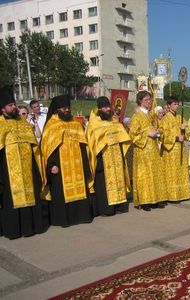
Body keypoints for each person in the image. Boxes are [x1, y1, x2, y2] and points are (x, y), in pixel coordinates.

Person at [0, 88, 49, 239]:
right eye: (10, 105)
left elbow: (34, 146)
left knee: (31, 196)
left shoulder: (23, 124)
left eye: (14, 104)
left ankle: (30, 228)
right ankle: (14, 230)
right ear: (2, 109)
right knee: (11, 200)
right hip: (8, 172)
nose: (14, 107)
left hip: (28, 169)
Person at [40, 95, 93, 227]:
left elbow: (83, 146)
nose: (67, 110)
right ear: (57, 109)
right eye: (64, 108)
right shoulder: (52, 125)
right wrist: (51, 166)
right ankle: (64, 220)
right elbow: (47, 148)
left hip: (77, 166)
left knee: (80, 190)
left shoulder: (75, 123)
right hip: (60, 168)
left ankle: (81, 217)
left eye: (68, 107)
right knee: (61, 192)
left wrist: (86, 166)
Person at [86, 97, 132, 216]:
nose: (108, 109)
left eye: (108, 106)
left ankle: (120, 206)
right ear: (99, 109)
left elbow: (121, 134)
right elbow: (91, 142)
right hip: (102, 159)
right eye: (105, 107)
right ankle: (106, 209)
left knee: (118, 180)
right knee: (103, 185)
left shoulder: (114, 121)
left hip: (116, 155)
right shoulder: (93, 124)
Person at [129, 91, 168, 211]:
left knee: (155, 173)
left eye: (150, 100)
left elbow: (160, 127)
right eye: (146, 100)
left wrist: (157, 132)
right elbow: (132, 134)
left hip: (154, 149)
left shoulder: (152, 115)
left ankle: (156, 199)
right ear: (140, 101)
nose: (149, 102)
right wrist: (147, 133)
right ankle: (145, 201)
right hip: (143, 150)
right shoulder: (136, 116)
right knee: (145, 175)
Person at [160, 96, 190, 202]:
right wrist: (177, 138)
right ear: (168, 106)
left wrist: (184, 129)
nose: (176, 106)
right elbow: (163, 134)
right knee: (172, 172)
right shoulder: (165, 119)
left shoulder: (180, 117)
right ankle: (173, 195)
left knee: (181, 170)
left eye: (177, 104)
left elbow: (188, 131)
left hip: (181, 149)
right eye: (174, 104)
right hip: (171, 150)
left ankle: (183, 193)